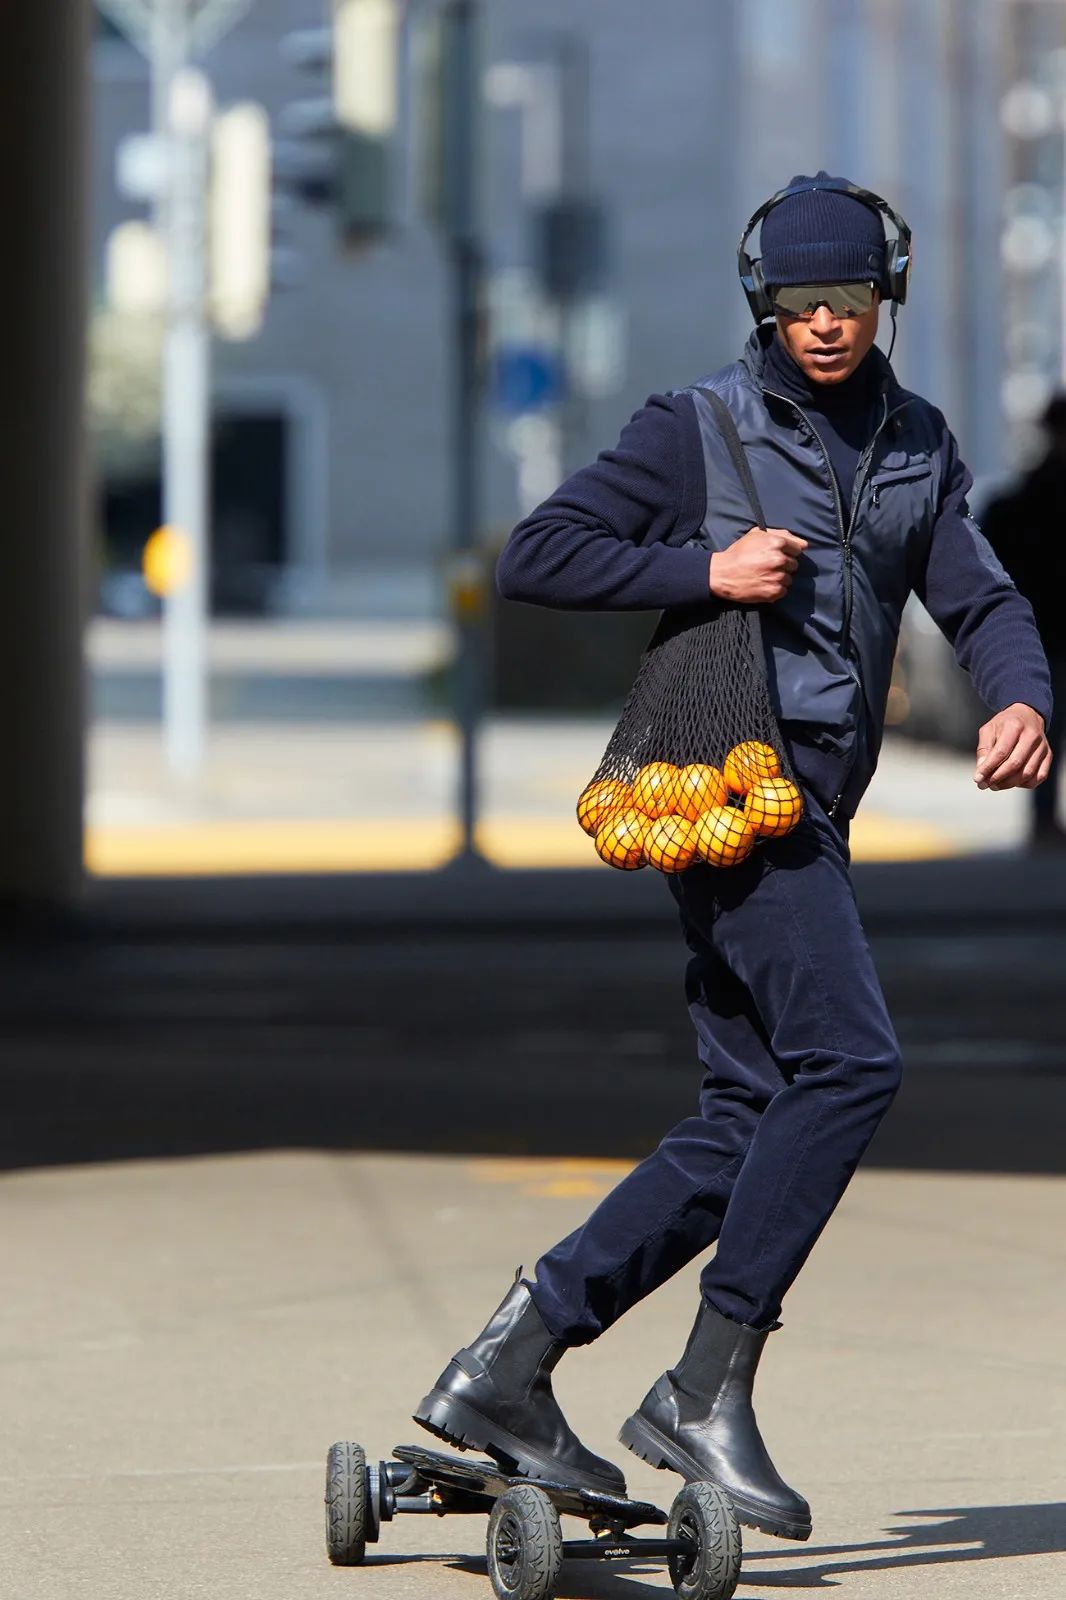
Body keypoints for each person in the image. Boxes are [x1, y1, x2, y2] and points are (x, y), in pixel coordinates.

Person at [414, 173, 1053, 1543]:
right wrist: (702, 573)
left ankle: (508, 1367)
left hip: (819, 798)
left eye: (850, 300)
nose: (825, 325)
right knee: (850, 1062)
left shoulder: (913, 441)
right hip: (730, 791)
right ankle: (707, 1384)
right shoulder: (693, 428)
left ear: (882, 300)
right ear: (765, 305)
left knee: (742, 1114)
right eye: (800, 303)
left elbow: (978, 595)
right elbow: (541, 552)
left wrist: (1021, 696)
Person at [980, 393, 1066, 848]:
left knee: (1047, 729)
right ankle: (1043, 820)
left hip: (1040, 633)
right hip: (1045, 635)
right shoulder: (1034, 497)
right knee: (1046, 726)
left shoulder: (1021, 497)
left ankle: (1043, 820)